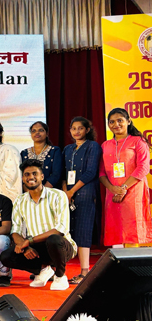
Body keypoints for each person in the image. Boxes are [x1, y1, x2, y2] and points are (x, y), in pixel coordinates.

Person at [1, 159, 76, 291]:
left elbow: (60, 229)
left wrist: (29, 241)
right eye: (27, 174)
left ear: (42, 176)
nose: (31, 177)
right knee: (6, 256)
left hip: (61, 246)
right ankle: (43, 270)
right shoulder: (20, 200)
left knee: (54, 239)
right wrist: (24, 247)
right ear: (23, 179)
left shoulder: (58, 195)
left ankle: (60, 276)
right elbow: (15, 230)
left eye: (34, 173)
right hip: (37, 247)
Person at [102, 108, 151, 247]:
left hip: (133, 192)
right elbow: (101, 173)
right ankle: (118, 261)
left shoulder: (138, 141)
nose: (116, 124)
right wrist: (113, 189)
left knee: (131, 230)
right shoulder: (105, 145)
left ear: (128, 121)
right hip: (113, 193)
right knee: (116, 229)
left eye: (120, 120)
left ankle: (132, 261)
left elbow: (143, 168)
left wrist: (123, 188)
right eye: (112, 122)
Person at [64, 117, 101, 283]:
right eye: (74, 128)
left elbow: (91, 172)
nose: (77, 131)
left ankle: (85, 272)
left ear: (87, 130)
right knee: (66, 230)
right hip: (68, 193)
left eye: (80, 128)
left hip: (85, 191)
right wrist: (66, 192)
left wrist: (72, 191)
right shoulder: (68, 149)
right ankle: (58, 271)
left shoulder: (93, 146)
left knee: (83, 229)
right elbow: (63, 172)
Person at [21, 121, 64, 189]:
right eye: (34, 131)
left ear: (47, 133)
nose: (37, 133)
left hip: (50, 191)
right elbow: (21, 175)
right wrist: (29, 192)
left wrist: (42, 191)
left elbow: (56, 174)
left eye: (40, 130)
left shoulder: (54, 151)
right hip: (29, 192)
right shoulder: (24, 153)